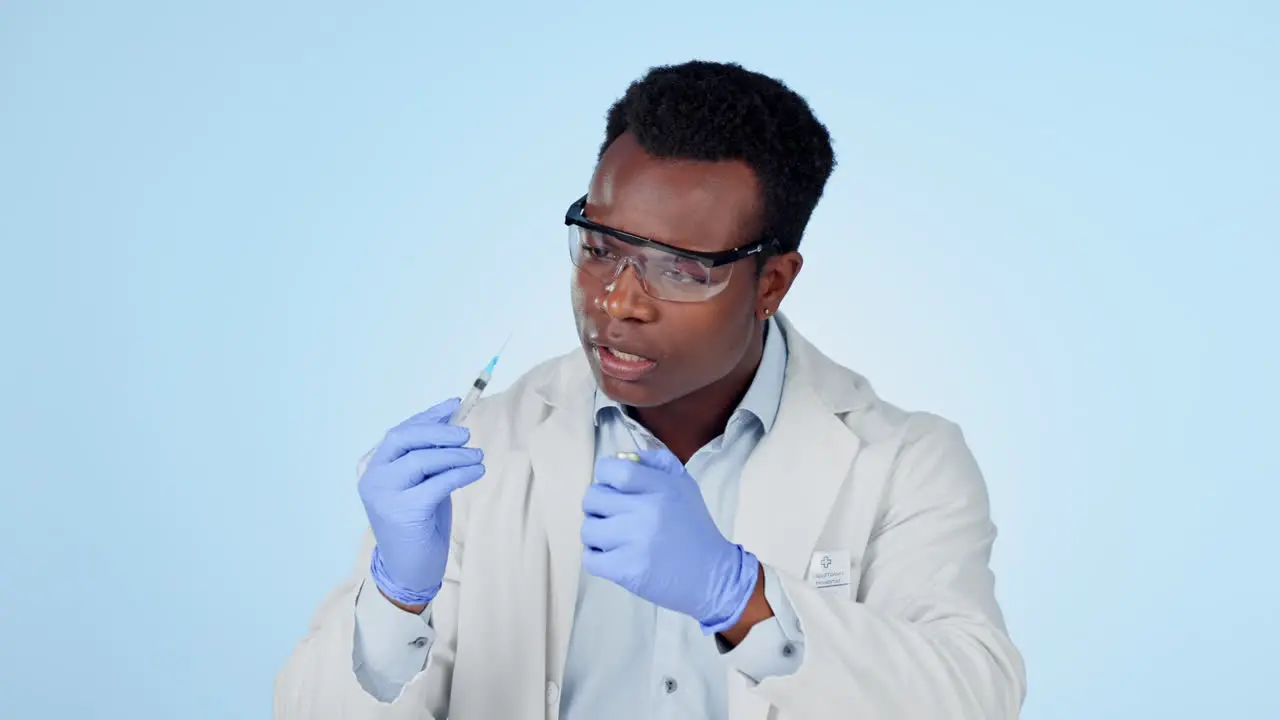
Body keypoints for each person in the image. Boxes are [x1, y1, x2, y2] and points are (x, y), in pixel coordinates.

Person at [274, 60, 1026, 720]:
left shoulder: (905, 462)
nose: (617, 301)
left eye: (679, 268)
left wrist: (740, 597)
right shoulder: (479, 457)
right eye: (600, 249)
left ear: (772, 283)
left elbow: (974, 698)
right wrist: (397, 594)